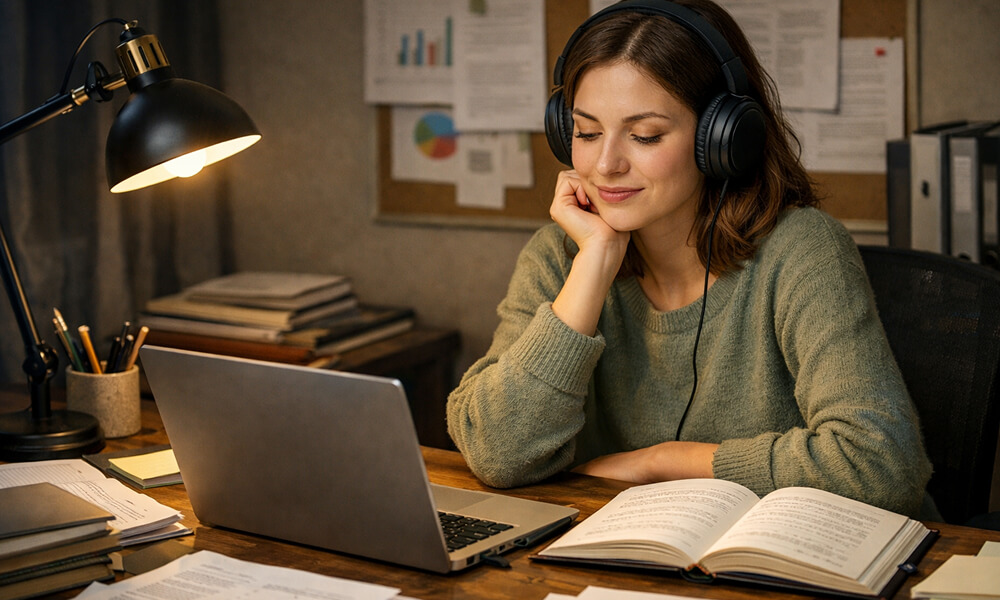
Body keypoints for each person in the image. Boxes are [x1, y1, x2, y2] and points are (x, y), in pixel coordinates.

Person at [446, 0, 934, 519]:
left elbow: (882, 466)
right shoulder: (560, 255)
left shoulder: (801, 250)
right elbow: (497, 453)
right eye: (586, 132)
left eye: (646, 135)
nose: (606, 164)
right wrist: (594, 265)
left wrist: (662, 463)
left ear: (721, 138)